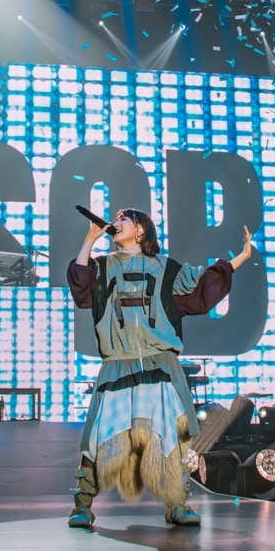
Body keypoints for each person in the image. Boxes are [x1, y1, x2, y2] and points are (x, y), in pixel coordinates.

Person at [66, 208, 253, 529]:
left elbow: (204, 281)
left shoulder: (165, 267)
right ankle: (82, 506)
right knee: (100, 436)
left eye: (124, 219)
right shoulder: (103, 266)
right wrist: (90, 239)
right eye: (116, 219)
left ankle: (177, 504)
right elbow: (80, 284)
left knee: (171, 436)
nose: (116, 222)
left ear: (141, 230)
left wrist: (243, 257)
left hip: (160, 364)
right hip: (119, 363)